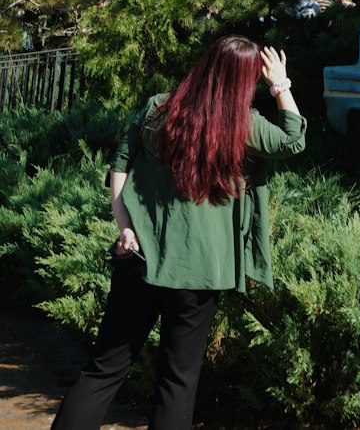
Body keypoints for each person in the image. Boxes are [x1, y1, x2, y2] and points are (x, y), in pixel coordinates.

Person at [51, 38, 305, 430]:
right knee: (177, 382)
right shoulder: (244, 125)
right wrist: (280, 85)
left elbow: (119, 164)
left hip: (141, 258)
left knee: (103, 371)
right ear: (244, 82)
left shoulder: (160, 107)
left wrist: (126, 229)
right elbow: (293, 139)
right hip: (201, 273)